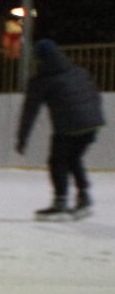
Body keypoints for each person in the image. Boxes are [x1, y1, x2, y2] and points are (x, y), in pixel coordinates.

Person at [19, 38, 103, 220]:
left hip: (69, 126)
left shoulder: (42, 80)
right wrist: (93, 119)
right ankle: (84, 196)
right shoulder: (78, 71)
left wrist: (22, 138)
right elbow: (94, 95)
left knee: (57, 161)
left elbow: (30, 111)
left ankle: (60, 201)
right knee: (73, 158)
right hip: (93, 123)